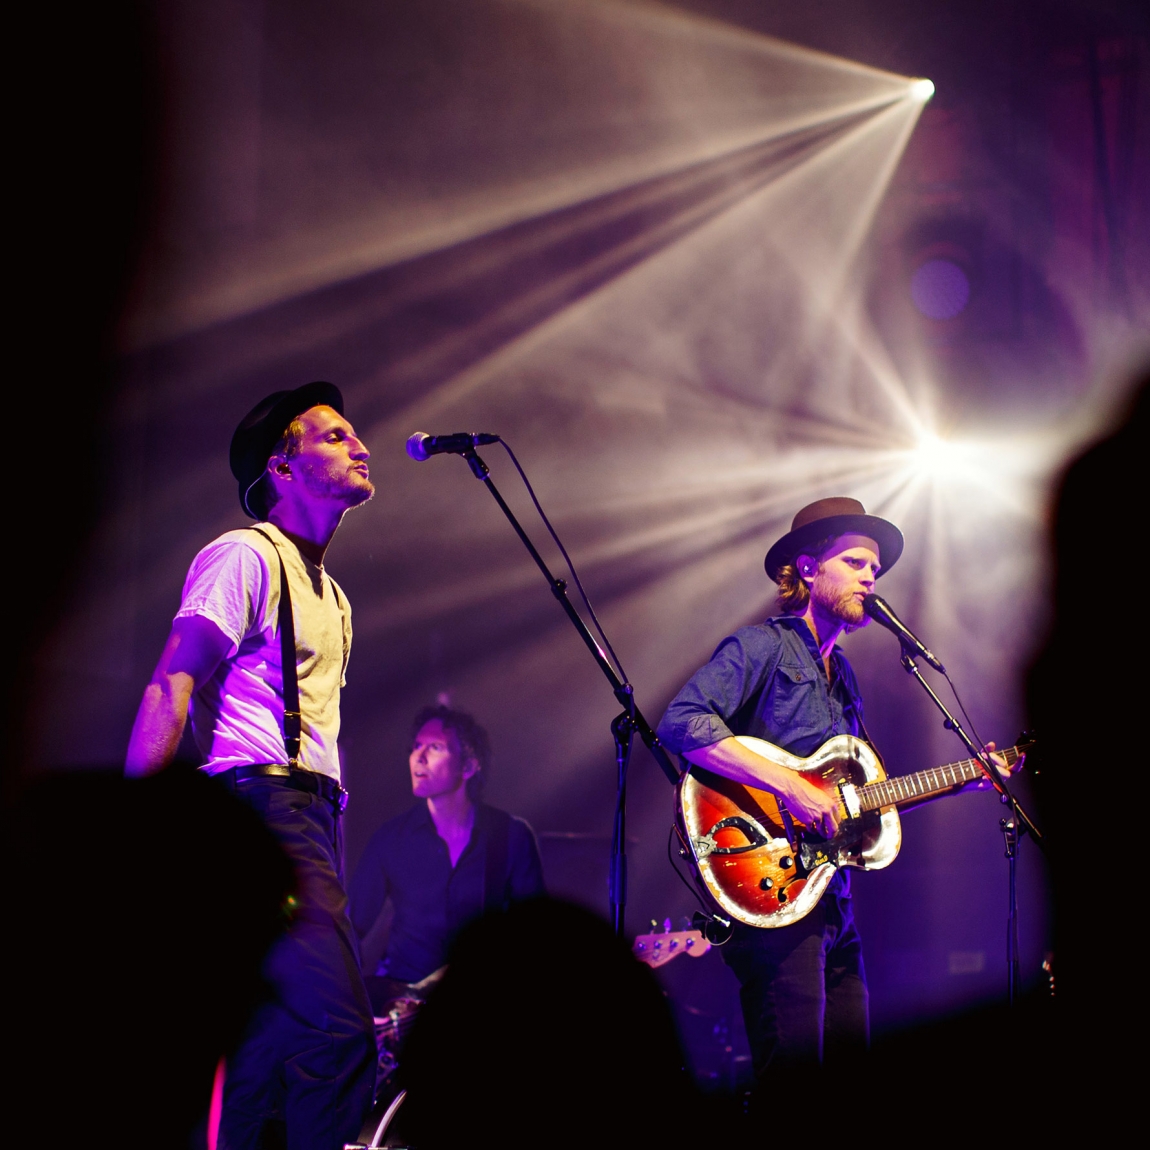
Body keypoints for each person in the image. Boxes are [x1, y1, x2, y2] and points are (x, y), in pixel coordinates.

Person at [657, 496, 1016, 1075]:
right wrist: (790, 787)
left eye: (874, 568)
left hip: (831, 898)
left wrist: (964, 781)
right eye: (854, 562)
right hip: (771, 887)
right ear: (807, 568)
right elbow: (682, 723)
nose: (870, 577)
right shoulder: (761, 647)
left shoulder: (842, 674)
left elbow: (854, 801)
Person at [125, 381, 377, 1150]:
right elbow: (172, 683)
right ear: (283, 466)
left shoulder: (335, 596)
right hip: (262, 814)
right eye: (334, 436)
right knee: (339, 1034)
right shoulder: (244, 555)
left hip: (311, 820)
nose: (360, 445)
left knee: (263, 1055)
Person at [350, 704, 545, 1013]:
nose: (419, 756)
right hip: (401, 1005)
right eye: (417, 746)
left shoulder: (511, 836)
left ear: (468, 766)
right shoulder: (390, 839)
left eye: (435, 747)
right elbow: (351, 927)